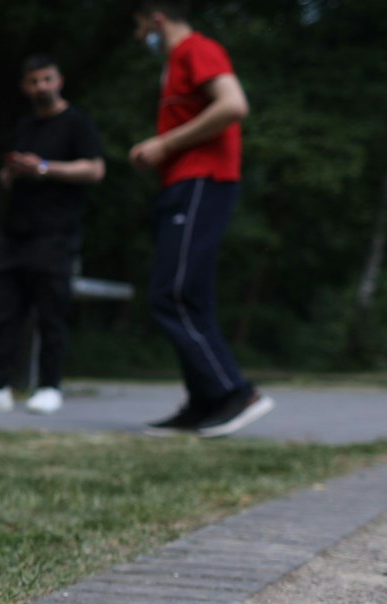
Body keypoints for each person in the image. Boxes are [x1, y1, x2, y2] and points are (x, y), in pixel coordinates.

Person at [129, 0, 271, 437]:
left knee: (171, 294)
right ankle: (204, 402)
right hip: (184, 186)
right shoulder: (175, 62)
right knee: (192, 296)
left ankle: (235, 393)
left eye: (139, 27)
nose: (140, 37)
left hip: (202, 181)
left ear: (156, 19)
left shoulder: (195, 49)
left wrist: (165, 144)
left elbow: (233, 105)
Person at [0, 55, 105, 416]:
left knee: (51, 312)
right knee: (5, 311)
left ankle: (50, 386)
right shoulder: (25, 126)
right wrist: (13, 173)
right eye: (34, 81)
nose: (41, 87)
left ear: (59, 80)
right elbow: (6, 178)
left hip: (56, 233)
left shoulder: (76, 123)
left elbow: (96, 169)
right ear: (25, 86)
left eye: (47, 79)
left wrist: (46, 168)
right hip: (16, 233)